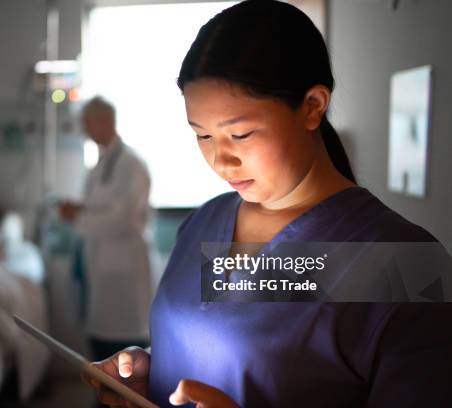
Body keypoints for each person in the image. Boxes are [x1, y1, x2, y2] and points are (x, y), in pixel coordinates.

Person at [83, 1, 452, 407]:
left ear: (312, 106)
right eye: (202, 135)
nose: (220, 160)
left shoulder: (402, 263)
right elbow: (233, 349)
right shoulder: (206, 222)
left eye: (240, 134)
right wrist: (150, 373)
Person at [59, 96, 154, 363]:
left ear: (103, 121)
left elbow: (124, 219)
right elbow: (103, 207)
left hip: (123, 268)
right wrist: (79, 209)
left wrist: (77, 219)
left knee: (126, 351)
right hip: (102, 266)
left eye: (86, 122)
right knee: (101, 343)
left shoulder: (130, 164)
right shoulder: (103, 163)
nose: (83, 129)